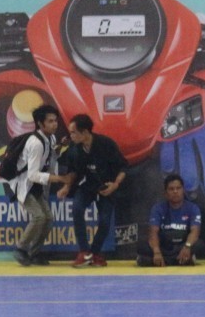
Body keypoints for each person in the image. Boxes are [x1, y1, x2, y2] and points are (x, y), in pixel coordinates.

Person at [58, 114, 127, 269]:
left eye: (73, 132)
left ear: (85, 132)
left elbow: (123, 167)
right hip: (88, 185)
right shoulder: (74, 148)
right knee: (77, 208)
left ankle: (95, 253)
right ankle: (84, 252)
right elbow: (74, 172)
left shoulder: (106, 144)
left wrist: (115, 185)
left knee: (104, 221)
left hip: (107, 187)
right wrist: (66, 187)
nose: (71, 136)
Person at [12, 105, 66, 267]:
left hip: (36, 187)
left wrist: (59, 147)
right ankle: (20, 249)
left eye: (55, 121)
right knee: (39, 217)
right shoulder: (35, 143)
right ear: (40, 124)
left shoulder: (51, 138)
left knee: (48, 218)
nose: (54, 124)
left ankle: (34, 253)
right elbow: (32, 175)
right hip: (24, 185)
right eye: (50, 121)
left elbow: (50, 155)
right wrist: (56, 178)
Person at [138, 174, 205, 266]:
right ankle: (182, 261)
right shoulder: (158, 208)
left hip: (182, 246)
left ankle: (160, 261)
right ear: (165, 192)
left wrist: (187, 246)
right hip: (163, 247)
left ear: (183, 190)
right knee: (142, 246)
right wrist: (157, 252)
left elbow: (195, 231)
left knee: (199, 244)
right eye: (171, 189)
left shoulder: (193, 208)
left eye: (178, 188)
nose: (175, 191)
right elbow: (153, 232)